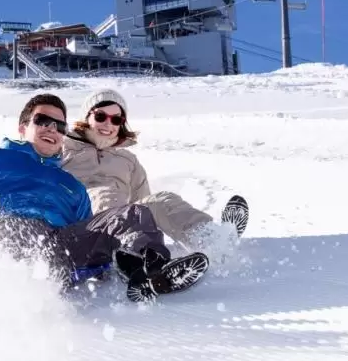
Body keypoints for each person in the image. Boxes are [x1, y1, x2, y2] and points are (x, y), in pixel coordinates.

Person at [0, 93, 207, 300]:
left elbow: (91, 236)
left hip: (59, 247)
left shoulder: (71, 185)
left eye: (59, 126)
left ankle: (152, 272)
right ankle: (20, 296)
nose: (51, 129)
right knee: (19, 229)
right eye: (42, 121)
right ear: (23, 127)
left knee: (133, 214)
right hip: (5, 238)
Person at [60, 88, 249, 255]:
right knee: (104, 194)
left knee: (160, 201)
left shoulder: (128, 160)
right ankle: (140, 259)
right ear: (86, 118)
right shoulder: (62, 148)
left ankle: (211, 238)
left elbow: (142, 207)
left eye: (116, 119)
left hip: (119, 225)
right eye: (100, 116)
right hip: (80, 228)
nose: (108, 124)